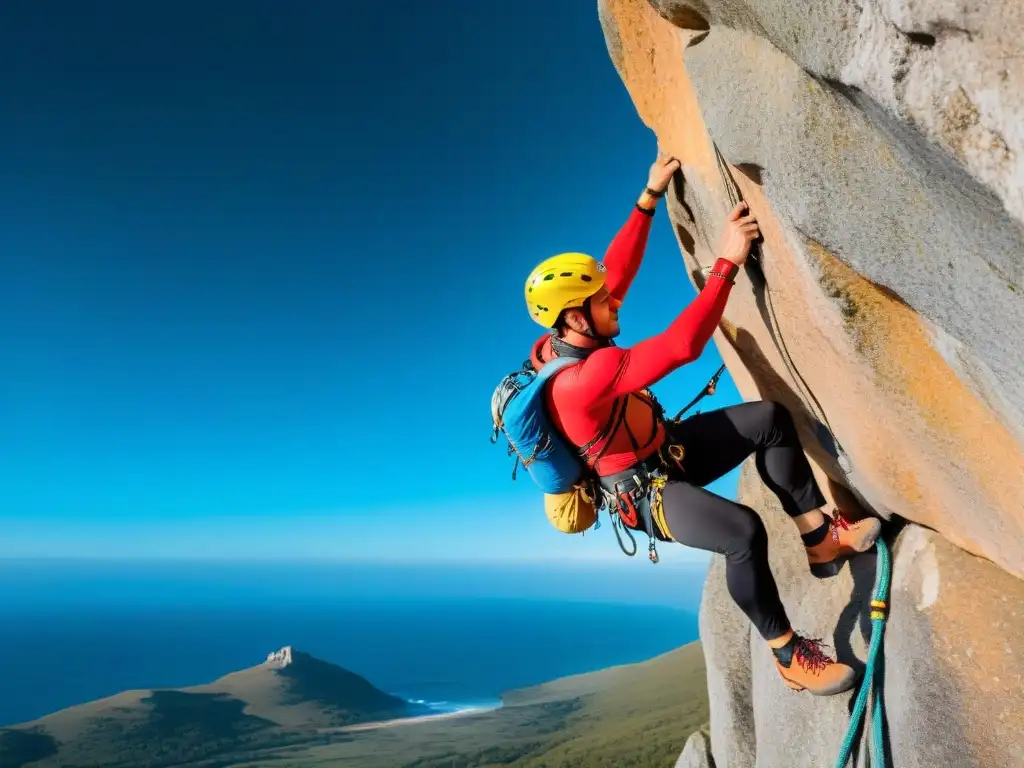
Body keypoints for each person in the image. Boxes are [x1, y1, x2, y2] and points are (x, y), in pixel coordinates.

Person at [522, 152, 882, 696]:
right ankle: (788, 654)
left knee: (767, 419)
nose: (613, 300)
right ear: (576, 317)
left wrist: (648, 198)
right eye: (601, 301)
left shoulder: (568, 338)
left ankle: (820, 540)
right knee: (741, 532)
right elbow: (680, 346)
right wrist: (727, 262)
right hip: (646, 494)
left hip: (669, 451)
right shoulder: (579, 379)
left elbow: (615, 271)